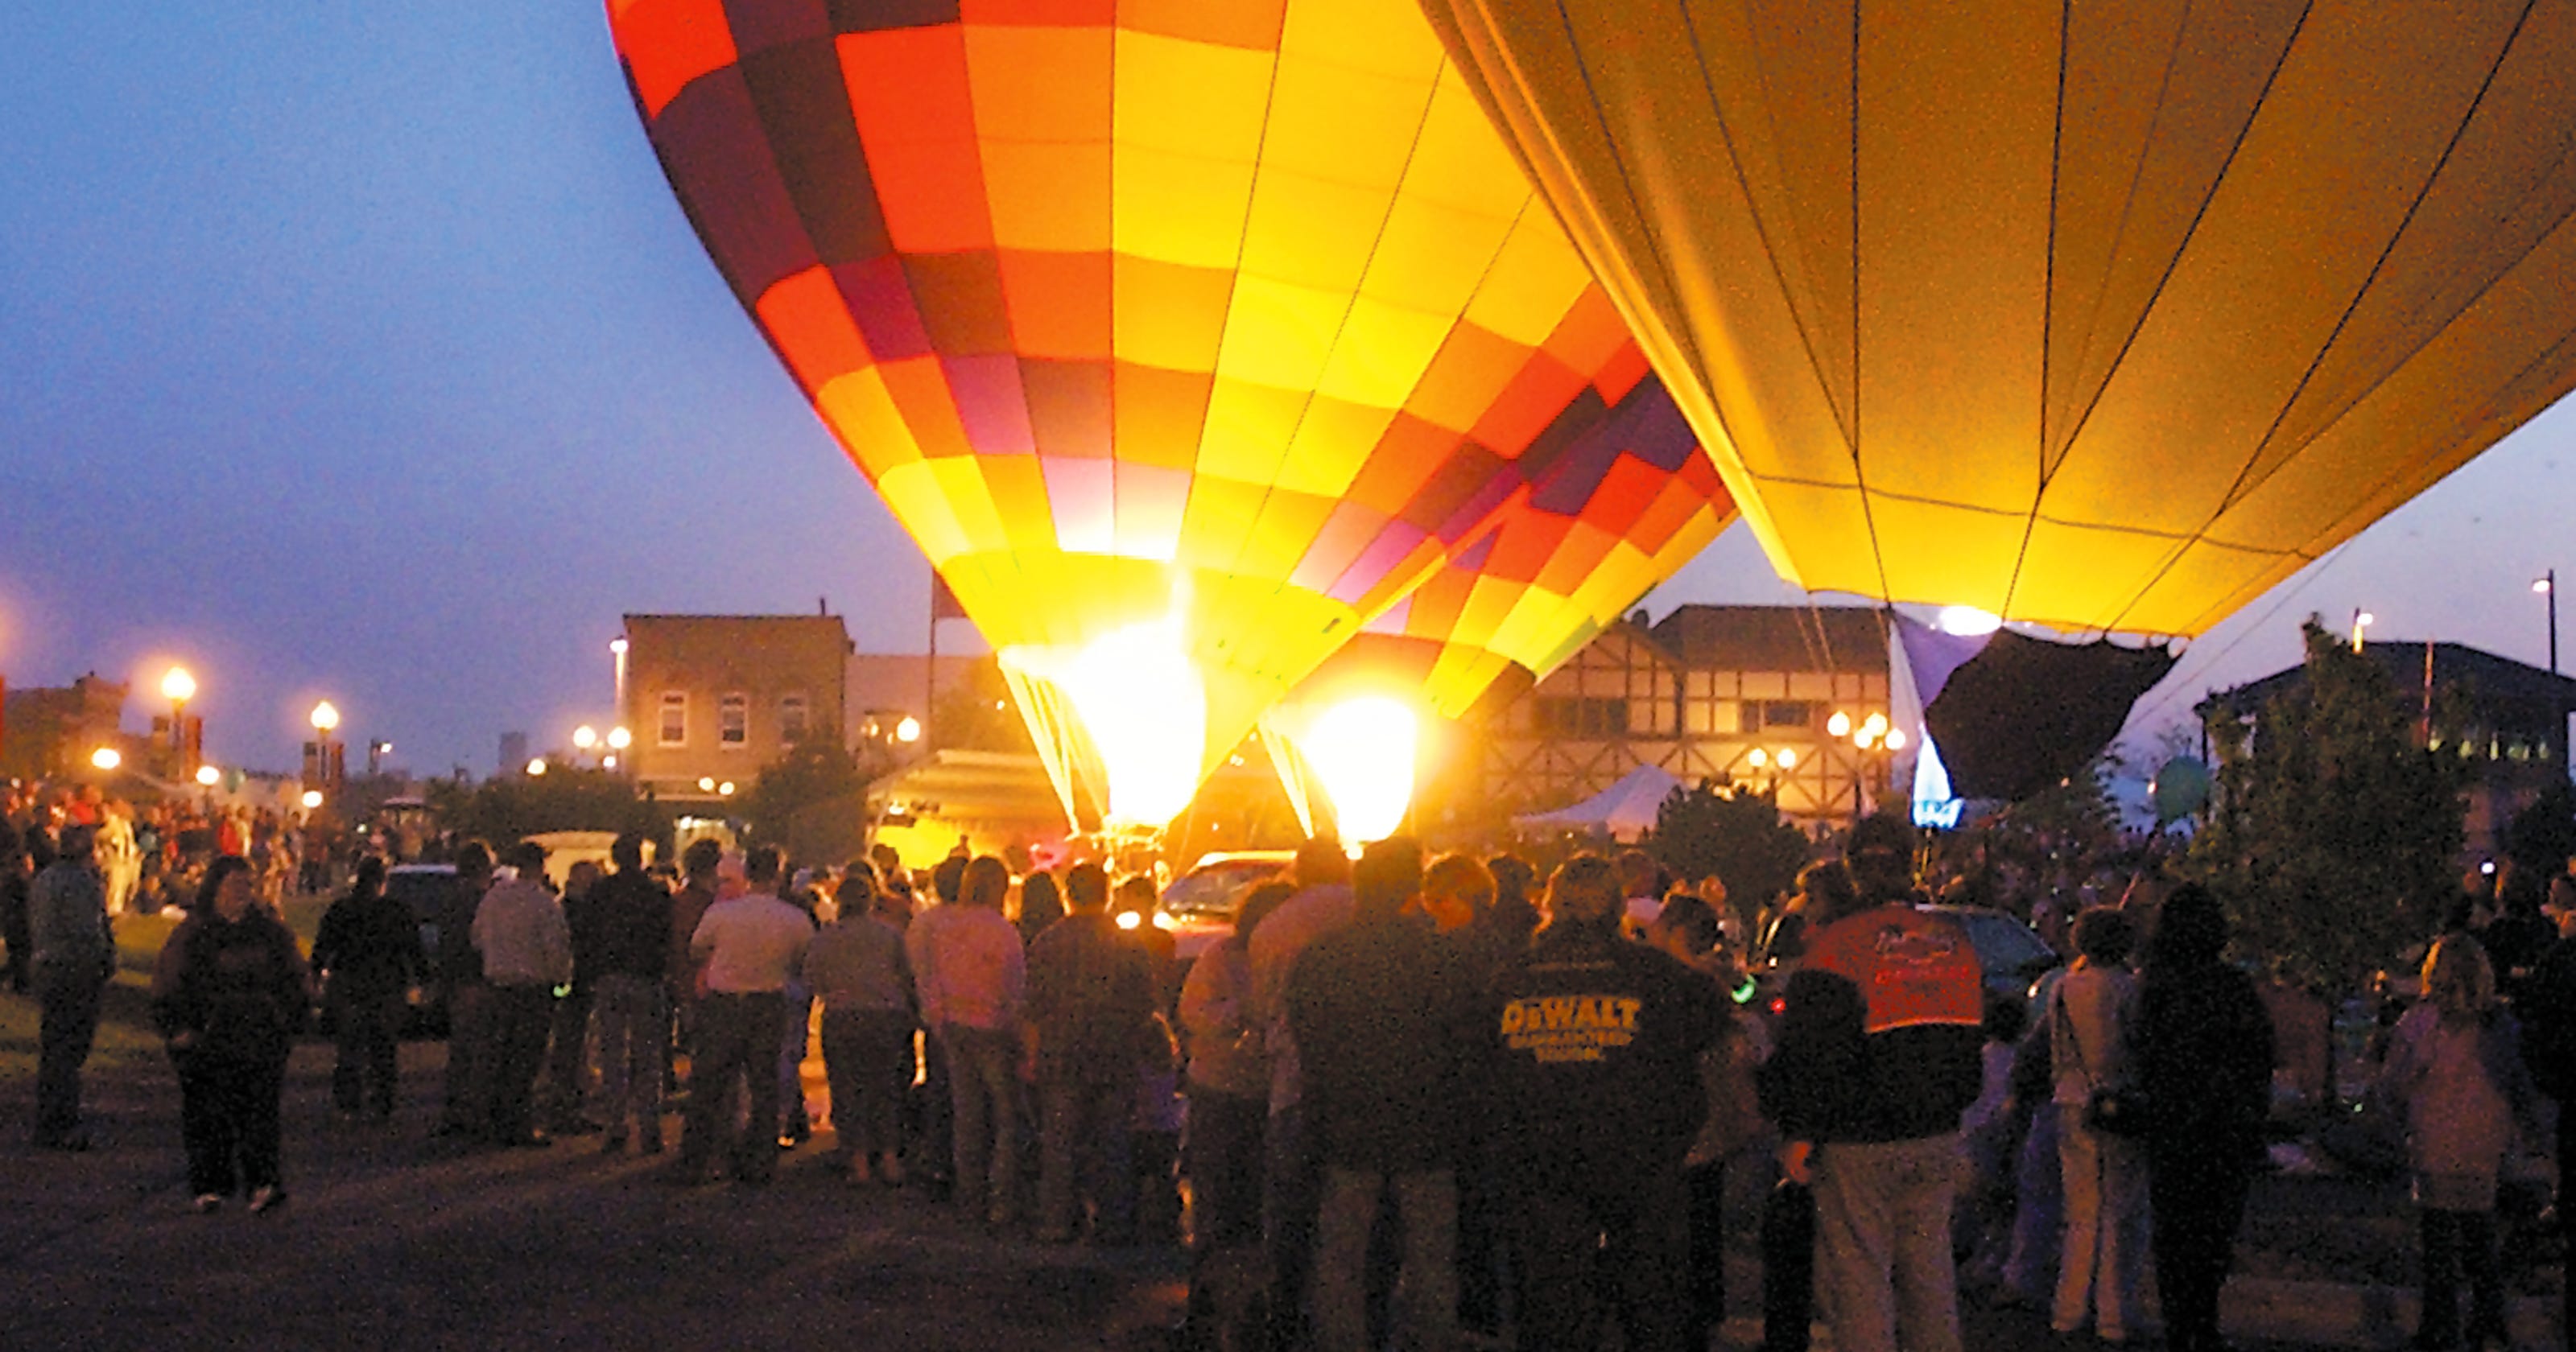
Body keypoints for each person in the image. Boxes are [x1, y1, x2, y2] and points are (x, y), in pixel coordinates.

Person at [1488, 852, 1726, 1352]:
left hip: (1541, 1161)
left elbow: (1475, 1058)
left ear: (1551, 906)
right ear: (1616, 908)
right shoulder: (1653, 975)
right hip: (1639, 1157)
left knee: (1552, 1304)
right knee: (1651, 1301)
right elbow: (1712, 1021)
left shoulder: (1509, 976)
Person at [1764, 815, 1984, 1352]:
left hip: (1858, 1138)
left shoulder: (1839, 946)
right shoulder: (1952, 941)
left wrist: (1799, 1131)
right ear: (1910, 865)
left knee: (1860, 1282)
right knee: (1930, 1278)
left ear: (1852, 870)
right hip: (1935, 1130)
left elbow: (1812, 1054)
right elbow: (1967, 1039)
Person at [1290, 837, 1478, 1352]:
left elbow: (1308, 1038)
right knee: (1432, 1256)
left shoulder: (1324, 956)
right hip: (1426, 1123)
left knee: (1342, 1254)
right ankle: (1431, 1340)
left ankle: (1341, 1341)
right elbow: (1463, 1039)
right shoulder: (1440, 955)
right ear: (1411, 887)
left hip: (1347, 1121)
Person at [2377, 934, 2539, 1351]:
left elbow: (2395, 1081)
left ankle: (2440, 1324)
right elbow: (2519, 1084)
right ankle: (2489, 1323)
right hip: (2485, 1142)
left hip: (2435, 1140)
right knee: (2480, 1236)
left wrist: (2395, 1117)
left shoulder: (2422, 1023)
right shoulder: (2501, 1025)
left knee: (2438, 1242)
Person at [2134, 884, 2274, 1352]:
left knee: (2174, 1233)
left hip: (2172, 1127)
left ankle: (2180, 1328)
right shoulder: (2234, 989)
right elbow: (2259, 1058)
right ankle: (2205, 1323)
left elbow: (2143, 1055)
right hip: (2225, 1129)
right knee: (2213, 1234)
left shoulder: (2156, 990)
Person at [1248, 836, 1357, 1348]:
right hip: (1355, 1080)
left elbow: (1262, 1006)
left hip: (1290, 1079)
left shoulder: (1273, 927)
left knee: (1289, 1202)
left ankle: (1284, 1309)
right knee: (1346, 1206)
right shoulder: (1361, 914)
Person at [151, 855, 309, 1213]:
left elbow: (294, 977)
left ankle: (263, 1183)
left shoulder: (269, 932)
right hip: (210, 1039)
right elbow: (170, 982)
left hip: (260, 1037)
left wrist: (290, 1019)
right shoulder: (195, 933)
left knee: (260, 1113)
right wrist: (176, 1026)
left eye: (247, 885)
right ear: (216, 888)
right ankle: (211, 1185)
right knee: (208, 1113)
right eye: (235, 884)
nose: (242, 892)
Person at [1648, 892, 1765, 1352]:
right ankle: (1704, 1312)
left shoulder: (1671, 982)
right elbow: (1746, 999)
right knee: (1706, 1218)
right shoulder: (1716, 978)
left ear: (1676, 931)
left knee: (1683, 1222)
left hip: (1684, 1119)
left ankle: (1685, 1315)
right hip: (1714, 1121)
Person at [1178, 878, 1292, 1346]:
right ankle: (1204, 1308)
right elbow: (1194, 1010)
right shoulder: (1221, 958)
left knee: (1255, 1203)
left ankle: (1248, 1308)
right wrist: (1240, 1014)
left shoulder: (1282, 959)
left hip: (1267, 1093)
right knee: (1217, 1199)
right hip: (1221, 1088)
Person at [1024, 860, 1155, 1243]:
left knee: (1060, 1144)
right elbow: (1144, 1004)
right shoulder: (1128, 944)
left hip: (1061, 1054)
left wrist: (1033, 1055)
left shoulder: (1048, 942)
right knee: (1113, 1142)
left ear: (1068, 894)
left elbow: (1033, 1005)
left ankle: (1057, 1221)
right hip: (1114, 1056)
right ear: (1108, 893)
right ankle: (1114, 1223)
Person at [672, 846, 814, 1185]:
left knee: (710, 1084)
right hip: (768, 1001)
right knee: (764, 1084)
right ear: (779, 875)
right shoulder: (794, 919)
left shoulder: (722, 914)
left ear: (748, 874)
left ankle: (698, 1159)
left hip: (723, 1002)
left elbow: (696, 947)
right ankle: (760, 1161)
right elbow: (803, 960)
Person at [2046, 907, 2147, 1343]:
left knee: (2080, 1213)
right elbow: (2137, 1044)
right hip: (2118, 1102)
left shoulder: (2063, 988)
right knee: (2117, 1212)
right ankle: (2113, 1315)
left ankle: (2067, 1310)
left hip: (2070, 1101)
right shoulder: (2128, 989)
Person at [919, 855, 1026, 1226]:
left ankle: (969, 1196)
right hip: (992, 1026)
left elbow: (933, 975)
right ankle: (1002, 1199)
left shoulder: (947, 926)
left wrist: (938, 1018)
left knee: (967, 1114)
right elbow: (1013, 987)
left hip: (954, 1023)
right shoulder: (1002, 930)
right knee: (1006, 1116)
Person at [804, 862, 914, 1184]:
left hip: (842, 1015)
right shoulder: (889, 935)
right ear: (870, 901)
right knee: (886, 1088)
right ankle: (890, 1157)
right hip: (885, 1016)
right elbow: (905, 975)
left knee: (848, 1087)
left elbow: (812, 977)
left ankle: (859, 1159)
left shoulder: (828, 937)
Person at [474, 841, 572, 1148]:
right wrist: (561, 983)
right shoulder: (544, 903)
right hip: (532, 990)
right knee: (526, 1059)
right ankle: (519, 1124)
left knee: (497, 1056)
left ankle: (493, 1119)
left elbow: (477, 938)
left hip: (497, 986)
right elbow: (555, 950)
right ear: (539, 866)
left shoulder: (493, 897)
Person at [309, 855, 421, 1122]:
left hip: (349, 983)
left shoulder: (341, 910)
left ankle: (348, 1103)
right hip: (386, 985)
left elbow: (322, 948)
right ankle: (382, 1102)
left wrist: (315, 976)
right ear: (383, 880)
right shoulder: (397, 912)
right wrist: (420, 979)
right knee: (383, 1046)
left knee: (350, 1046)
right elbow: (412, 949)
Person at [29, 823, 116, 1151]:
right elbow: (86, 931)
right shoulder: (79, 882)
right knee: (69, 1050)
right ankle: (61, 1123)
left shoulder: (45, 878)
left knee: (53, 1048)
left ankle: (49, 1119)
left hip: (48, 967)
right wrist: (103, 960)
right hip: (74, 970)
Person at [588, 832, 672, 1154]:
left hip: (610, 977)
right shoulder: (656, 893)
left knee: (613, 1055)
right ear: (640, 858)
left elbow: (588, 934)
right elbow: (665, 934)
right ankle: (650, 1129)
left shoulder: (600, 892)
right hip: (647, 979)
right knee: (647, 1056)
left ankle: (616, 1126)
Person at [434, 841, 498, 1140]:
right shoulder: (483, 901)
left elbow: (446, 944)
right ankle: (476, 1111)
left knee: (461, 1050)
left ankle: (456, 1110)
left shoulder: (450, 900)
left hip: (458, 981)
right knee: (481, 1050)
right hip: (479, 979)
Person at [543, 859, 609, 1136]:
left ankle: (566, 1102)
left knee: (573, 1047)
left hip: (573, 985)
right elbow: (571, 949)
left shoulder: (566, 906)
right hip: (575, 986)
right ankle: (564, 1106)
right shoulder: (573, 910)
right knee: (571, 1046)